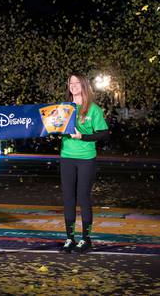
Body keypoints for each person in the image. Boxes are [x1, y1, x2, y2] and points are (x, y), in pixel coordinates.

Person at [58, 74, 109, 254]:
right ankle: (70, 238)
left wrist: (83, 136)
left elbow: (104, 134)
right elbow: (55, 126)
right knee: (68, 199)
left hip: (86, 158)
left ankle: (86, 240)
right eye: (70, 83)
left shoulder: (93, 109)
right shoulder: (64, 108)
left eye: (77, 82)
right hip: (66, 156)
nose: (73, 85)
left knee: (83, 198)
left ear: (84, 85)